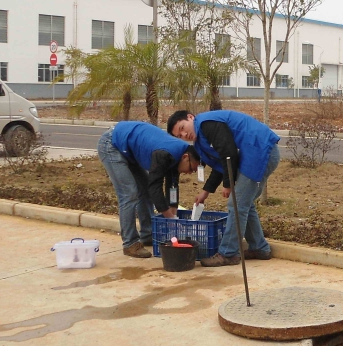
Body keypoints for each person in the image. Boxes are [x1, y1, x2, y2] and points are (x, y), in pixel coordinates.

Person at [167, 109, 281, 267]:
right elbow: (220, 164)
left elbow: (229, 154)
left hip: (260, 151)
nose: (184, 135)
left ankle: (229, 253)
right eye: (179, 136)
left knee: (236, 203)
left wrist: (228, 184)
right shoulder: (201, 139)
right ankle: (259, 248)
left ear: (190, 117)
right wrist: (205, 192)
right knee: (243, 203)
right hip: (254, 154)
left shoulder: (207, 124)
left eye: (182, 128)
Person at [97, 121, 200, 258]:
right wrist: (169, 217)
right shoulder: (164, 154)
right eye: (191, 168)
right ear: (186, 157)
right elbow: (155, 187)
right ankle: (130, 243)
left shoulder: (178, 155)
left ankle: (147, 234)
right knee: (129, 193)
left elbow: (172, 186)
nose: (190, 172)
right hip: (112, 144)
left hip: (129, 149)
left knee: (144, 190)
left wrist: (173, 213)